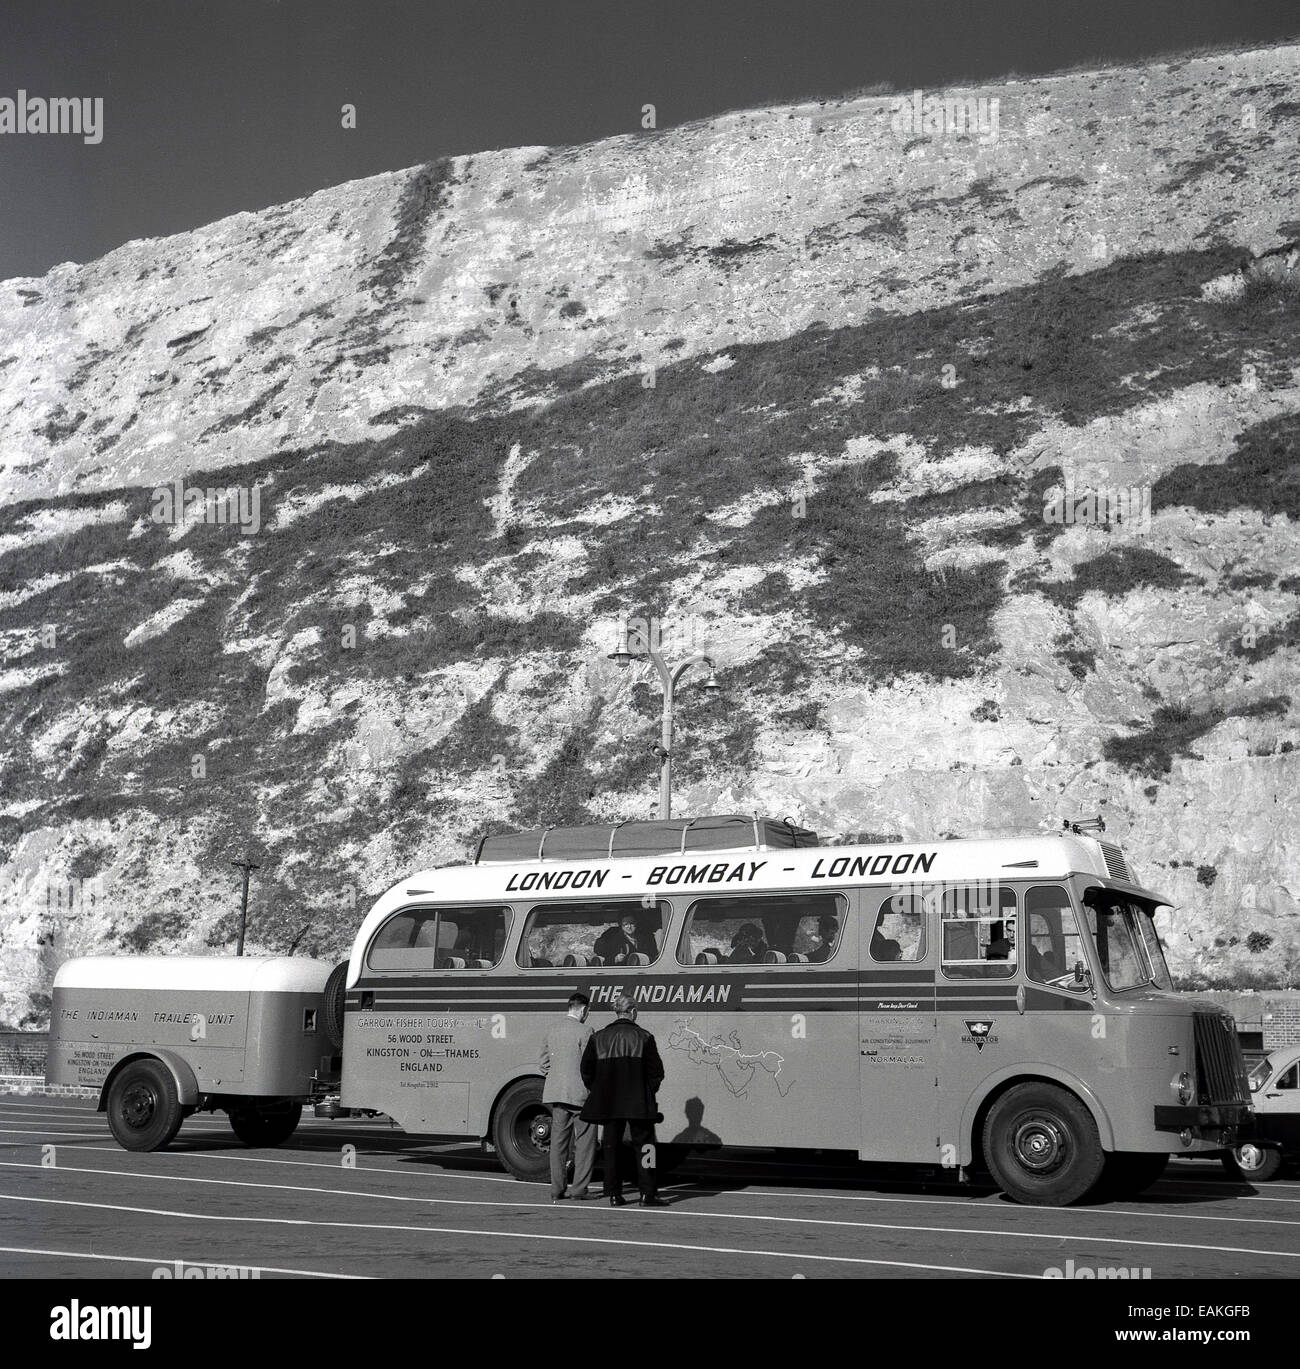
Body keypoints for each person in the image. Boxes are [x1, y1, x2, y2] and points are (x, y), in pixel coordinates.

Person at [580, 993, 666, 1206]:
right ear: (633, 1012)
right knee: (647, 1147)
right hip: (639, 1102)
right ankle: (648, 1193)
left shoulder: (598, 1037)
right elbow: (656, 1072)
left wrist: (599, 1089)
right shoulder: (645, 1037)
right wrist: (648, 1091)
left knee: (611, 1147)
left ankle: (614, 1194)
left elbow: (586, 1071)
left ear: (616, 1011)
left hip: (609, 1102)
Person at [539, 992, 596, 1203]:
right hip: (581, 1096)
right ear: (583, 1009)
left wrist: (556, 1078)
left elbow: (544, 1063)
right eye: (587, 1011)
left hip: (557, 1093)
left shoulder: (551, 1030)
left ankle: (557, 1188)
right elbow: (591, 1065)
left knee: (558, 1143)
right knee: (585, 1143)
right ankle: (579, 1188)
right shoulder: (586, 1031)